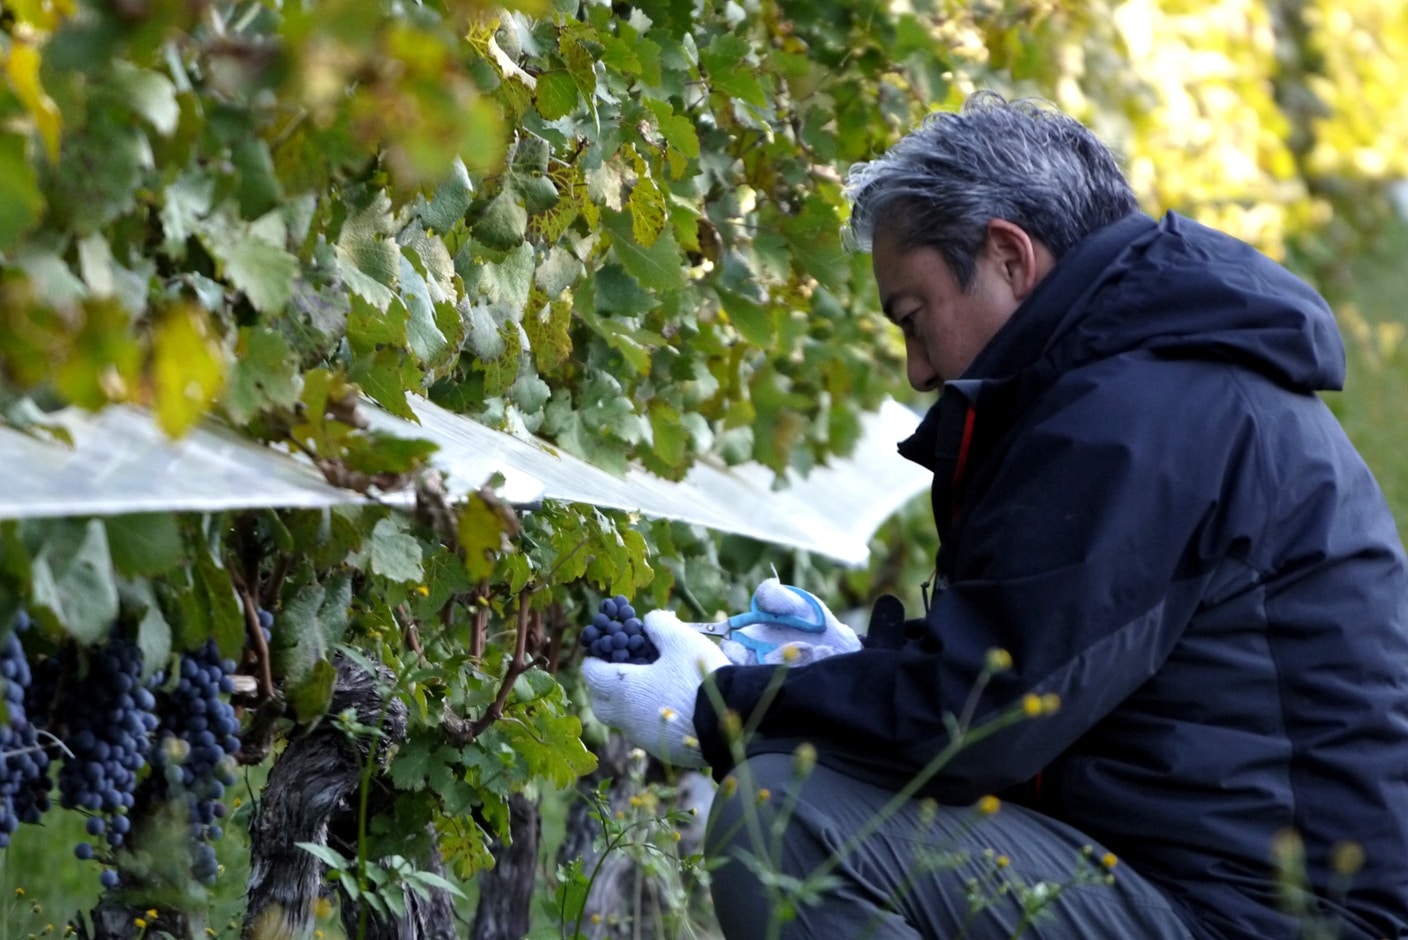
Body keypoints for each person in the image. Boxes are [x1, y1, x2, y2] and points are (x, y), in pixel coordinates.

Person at [582, 91, 1408, 940]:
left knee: (784, 819)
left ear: (1010, 257)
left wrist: (719, 708)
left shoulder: (1138, 420)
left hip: (1259, 917)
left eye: (913, 318)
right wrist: (848, 668)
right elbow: (1035, 661)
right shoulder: (1152, 384)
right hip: (1204, 879)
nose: (916, 370)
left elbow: (980, 719)